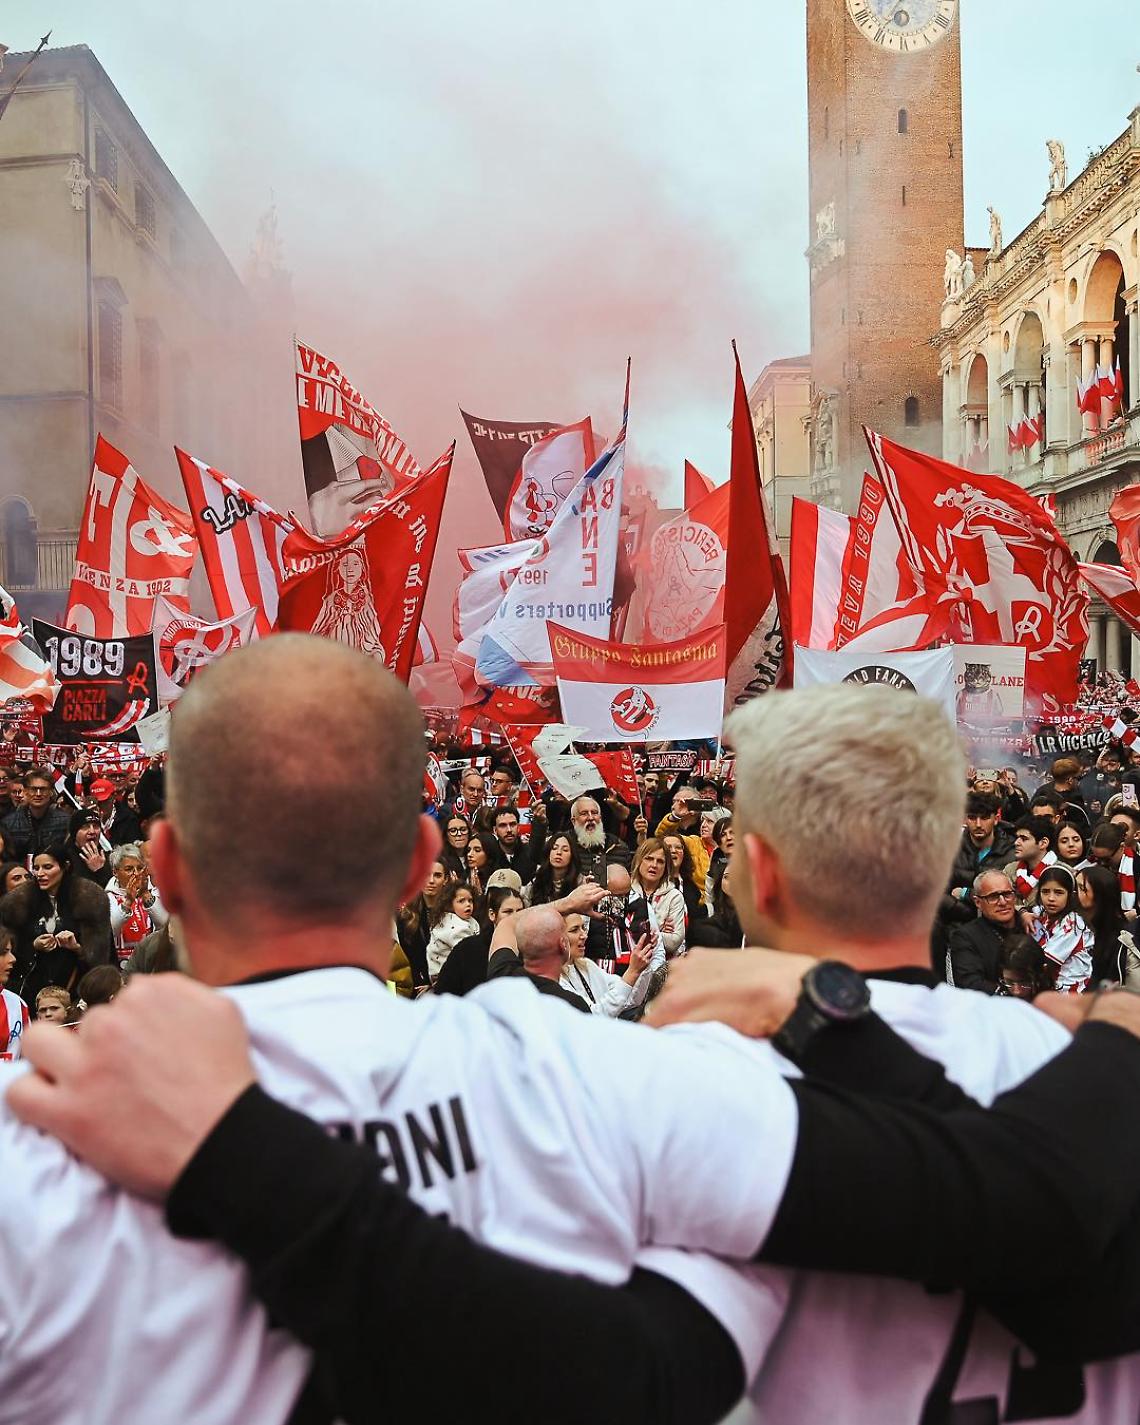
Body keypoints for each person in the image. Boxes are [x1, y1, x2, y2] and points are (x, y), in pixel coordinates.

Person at [20, 666, 1140, 1425]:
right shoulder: (619, 1077)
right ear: (420, 863)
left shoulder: (28, 1144)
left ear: (162, 866)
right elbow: (1036, 1235)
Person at [0, 842, 113, 1003]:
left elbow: (101, 958)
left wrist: (76, 948)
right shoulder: (18, 903)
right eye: (36, 868)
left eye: (47, 867)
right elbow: (7, 950)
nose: (40, 873)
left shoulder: (89, 899)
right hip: (30, 991)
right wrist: (33, 946)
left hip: (75, 991)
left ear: (65, 866)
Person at [487, 904, 591, 1011]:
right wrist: (571, 903)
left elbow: (507, 924)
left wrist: (569, 902)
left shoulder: (502, 975)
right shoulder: (573, 1006)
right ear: (563, 944)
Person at [559, 908, 656, 1017]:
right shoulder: (556, 980)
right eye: (574, 930)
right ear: (556, 937)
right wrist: (632, 971)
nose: (584, 936)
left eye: (583, 928)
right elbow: (594, 1016)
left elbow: (631, 998)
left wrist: (643, 963)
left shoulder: (586, 965)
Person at [433, 884, 524, 997]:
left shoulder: (532, 949)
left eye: (520, 911)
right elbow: (444, 993)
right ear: (492, 914)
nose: (515, 917)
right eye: (508, 912)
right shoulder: (468, 949)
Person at [947, 869, 1018, 994]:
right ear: (978, 902)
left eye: (1007, 894)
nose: (1002, 902)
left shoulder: (1030, 924)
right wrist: (1008, 994)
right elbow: (969, 983)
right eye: (993, 897)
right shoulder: (965, 937)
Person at [1026, 865, 1093, 993]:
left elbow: (1046, 963)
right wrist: (1022, 912)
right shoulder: (1041, 913)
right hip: (1049, 988)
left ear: (1070, 895)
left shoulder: (1074, 922)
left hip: (1070, 993)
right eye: (1045, 891)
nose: (1051, 898)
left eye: (1059, 892)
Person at [105, 842, 168, 970]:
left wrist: (145, 894)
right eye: (129, 869)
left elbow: (165, 925)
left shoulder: (155, 892)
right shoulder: (107, 897)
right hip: (120, 967)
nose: (136, 874)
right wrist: (128, 901)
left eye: (140, 868)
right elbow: (110, 931)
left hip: (152, 965)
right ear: (115, 872)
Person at [395, 857, 451, 990]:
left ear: (446, 880)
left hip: (447, 986)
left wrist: (435, 985)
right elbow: (406, 959)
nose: (431, 881)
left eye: (437, 876)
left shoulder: (454, 914)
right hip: (416, 987)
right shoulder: (406, 916)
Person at [629, 838, 687, 958]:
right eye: (649, 859)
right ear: (639, 860)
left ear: (666, 867)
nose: (654, 865)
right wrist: (660, 931)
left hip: (662, 966)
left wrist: (637, 932)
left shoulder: (674, 896)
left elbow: (674, 942)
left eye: (660, 861)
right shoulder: (626, 891)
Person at [1076, 863, 1131, 987]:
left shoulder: (1121, 938)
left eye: (1081, 888)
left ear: (1100, 894)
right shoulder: (1072, 922)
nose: (1074, 892)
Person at [0, 768, 69, 861]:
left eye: (43, 789)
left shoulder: (65, 821)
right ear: (25, 791)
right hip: (20, 871)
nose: (38, 794)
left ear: (51, 792)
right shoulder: (8, 823)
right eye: (33, 789)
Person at [425, 880, 479, 982]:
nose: (468, 904)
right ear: (449, 904)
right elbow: (469, 953)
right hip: (445, 976)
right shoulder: (454, 925)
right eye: (461, 901)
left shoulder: (468, 920)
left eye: (470, 900)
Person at [1004, 814, 1056, 907]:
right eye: (1017, 838)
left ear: (1043, 843)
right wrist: (1021, 911)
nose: (1016, 843)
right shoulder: (1010, 870)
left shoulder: (1060, 871)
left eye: (1024, 839)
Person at [526, 832, 581, 906]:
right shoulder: (537, 880)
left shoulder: (580, 882)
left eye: (565, 850)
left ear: (572, 855)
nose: (558, 852)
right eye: (554, 848)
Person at [662, 832, 705, 922]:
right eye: (668, 847)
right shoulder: (653, 883)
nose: (674, 851)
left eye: (678, 847)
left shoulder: (691, 886)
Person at [994, 933, 1050, 1001]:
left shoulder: (1058, 1006)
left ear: (1042, 972)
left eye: (1024, 982)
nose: (1017, 991)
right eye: (1009, 982)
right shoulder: (997, 1002)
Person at [65, 808, 112, 887]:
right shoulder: (65, 859)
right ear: (74, 833)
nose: (92, 831)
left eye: (96, 826)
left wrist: (100, 871)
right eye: (85, 827)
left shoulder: (109, 857)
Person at [0, 929, 28, 1060]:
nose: (13, 959)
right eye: (4, 953)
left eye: (11, 952)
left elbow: (28, 1059)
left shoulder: (17, 1004)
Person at [492, 805, 538, 881]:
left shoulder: (529, 853)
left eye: (512, 824)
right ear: (495, 830)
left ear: (518, 827)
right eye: (503, 825)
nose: (509, 830)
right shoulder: (490, 856)